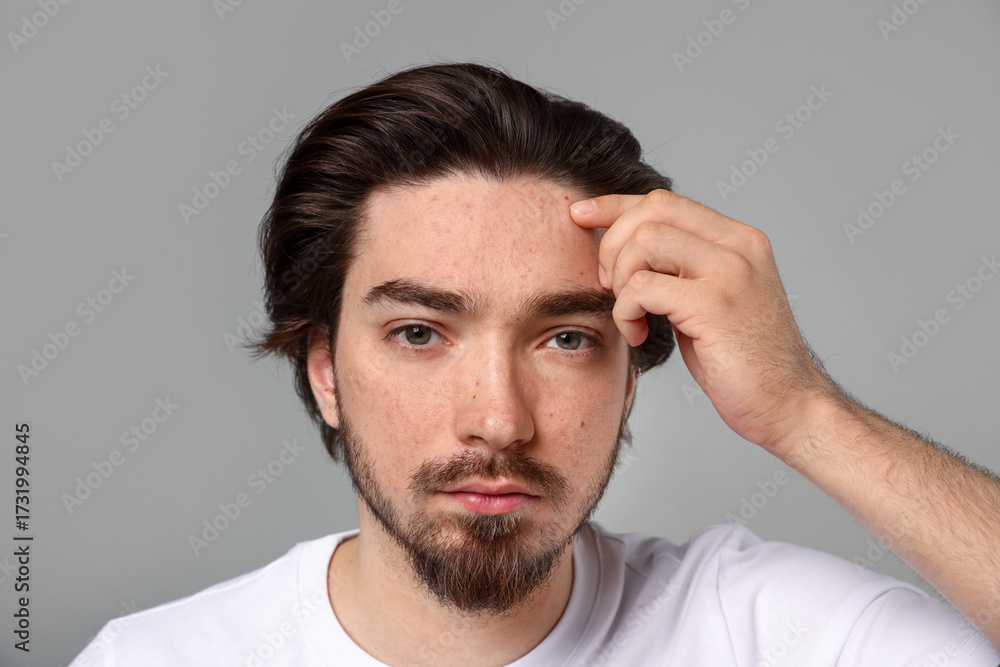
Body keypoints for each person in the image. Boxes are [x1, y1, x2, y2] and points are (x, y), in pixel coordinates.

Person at [70, 61, 1000, 666]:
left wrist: (804, 410)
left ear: (630, 370)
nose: (501, 420)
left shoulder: (766, 631)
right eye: (420, 333)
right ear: (324, 368)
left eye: (566, 338)